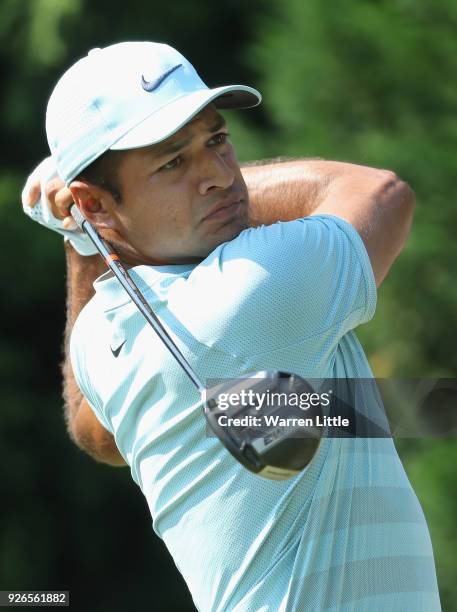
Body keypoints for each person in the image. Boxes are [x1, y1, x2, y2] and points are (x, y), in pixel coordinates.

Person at [22, 41, 441, 611]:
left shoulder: (102, 334)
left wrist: (82, 239)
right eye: (173, 162)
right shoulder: (250, 288)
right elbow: (380, 194)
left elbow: (96, 433)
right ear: (95, 202)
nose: (220, 175)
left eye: (217, 141)